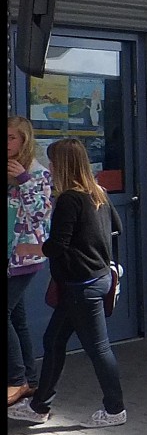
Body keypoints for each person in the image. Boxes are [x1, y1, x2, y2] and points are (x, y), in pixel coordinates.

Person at [8, 137, 126, 427]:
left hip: (80, 286)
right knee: (53, 340)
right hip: (94, 279)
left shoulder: (69, 199)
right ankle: (39, 406)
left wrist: (29, 249)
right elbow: (118, 228)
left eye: (52, 161)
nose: (50, 166)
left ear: (62, 165)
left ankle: (115, 409)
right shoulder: (97, 192)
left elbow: (57, 245)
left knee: (98, 348)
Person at [8, 116, 53, 407]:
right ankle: (32, 381)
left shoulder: (38, 173)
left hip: (24, 254)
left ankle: (16, 378)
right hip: (8, 254)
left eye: (11, 137)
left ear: (25, 140)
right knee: (18, 318)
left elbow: (40, 216)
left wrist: (23, 180)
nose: (6, 143)